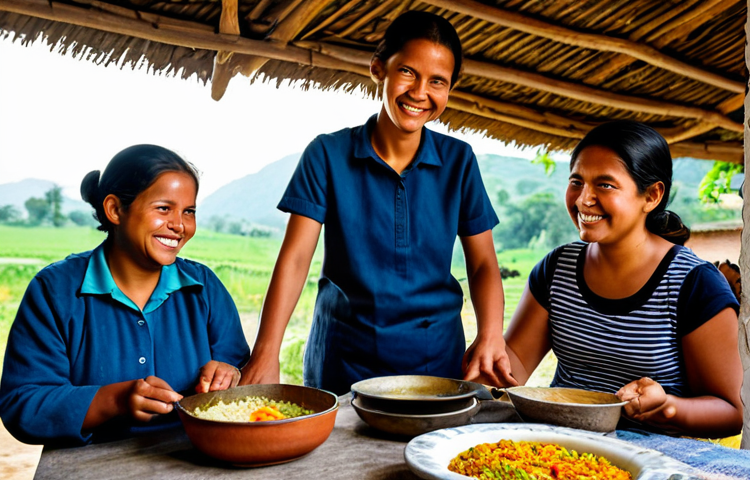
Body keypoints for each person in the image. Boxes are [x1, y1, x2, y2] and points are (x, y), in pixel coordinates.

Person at [240, 11, 513, 395]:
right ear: (378, 69)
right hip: (343, 358)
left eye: (437, 81)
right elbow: (296, 257)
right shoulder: (327, 154)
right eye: (407, 73)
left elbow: (483, 263)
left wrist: (490, 335)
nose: (420, 92)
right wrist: (266, 352)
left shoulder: (459, 161)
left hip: (436, 361)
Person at [503, 121, 743, 438]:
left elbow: (730, 410)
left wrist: (669, 407)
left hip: (652, 458)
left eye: (605, 185)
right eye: (577, 181)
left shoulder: (693, 284)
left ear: (652, 195)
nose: (583, 199)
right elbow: (513, 362)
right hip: (555, 447)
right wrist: (488, 358)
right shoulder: (557, 268)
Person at [0, 145, 250, 445]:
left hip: (194, 455)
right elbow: (23, 405)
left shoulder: (205, 286)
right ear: (115, 209)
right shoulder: (54, 291)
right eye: (163, 208)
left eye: (189, 211)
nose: (179, 225)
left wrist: (229, 372)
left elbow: (240, 371)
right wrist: (115, 400)